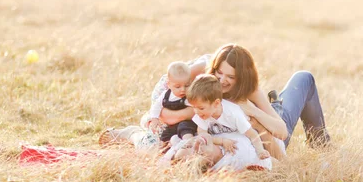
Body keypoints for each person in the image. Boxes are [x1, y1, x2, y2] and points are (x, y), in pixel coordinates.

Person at [100, 44, 330, 160]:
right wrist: (156, 117)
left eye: (231, 77)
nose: (223, 80)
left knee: (304, 78)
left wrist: (252, 110)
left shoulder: (250, 90)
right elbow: (166, 89)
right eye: (220, 73)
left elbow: (281, 131)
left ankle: (320, 142)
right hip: (239, 133)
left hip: (270, 124)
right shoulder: (203, 77)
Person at [187, 74, 269, 160]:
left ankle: (276, 104)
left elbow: (252, 134)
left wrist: (260, 151)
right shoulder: (202, 114)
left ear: (216, 103)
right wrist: (222, 141)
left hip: (245, 130)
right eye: (194, 107)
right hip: (224, 136)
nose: (196, 111)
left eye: (201, 108)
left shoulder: (233, 113)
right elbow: (202, 135)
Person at [146, 61, 197, 145]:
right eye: (178, 86)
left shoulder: (189, 96)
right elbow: (156, 106)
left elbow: (196, 108)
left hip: (187, 124)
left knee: (184, 128)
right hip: (171, 126)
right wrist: (154, 118)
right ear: (169, 84)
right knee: (164, 135)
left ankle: (188, 143)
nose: (183, 89)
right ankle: (167, 146)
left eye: (187, 85)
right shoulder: (165, 95)